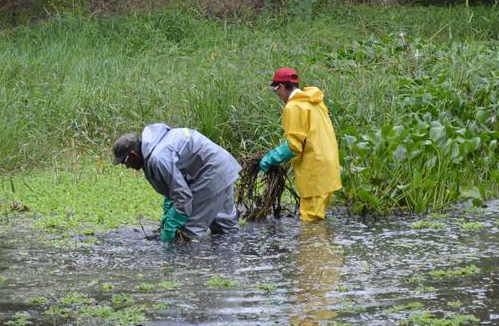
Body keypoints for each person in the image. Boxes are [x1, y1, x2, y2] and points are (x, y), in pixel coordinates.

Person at [112, 123, 241, 242]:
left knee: (186, 233)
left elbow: (183, 198)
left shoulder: (158, 158)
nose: (127, 167)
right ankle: (230, 265)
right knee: (226, 230)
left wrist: (171, 224)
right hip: (224, 166)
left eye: (124, 162)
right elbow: (178, 179)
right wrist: (170, 205)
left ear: (134, 154)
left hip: (212, 174)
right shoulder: (155, 145)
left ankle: (188, 265)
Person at [260, 68, 342, 221]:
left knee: (311, 225)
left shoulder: (294, 107)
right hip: (329, 170)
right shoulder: (315, 101)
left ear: (282, 88)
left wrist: (270, 158)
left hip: (315, 174)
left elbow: (294, 146)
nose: (278, 95)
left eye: (276, 90)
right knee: (318, 221)